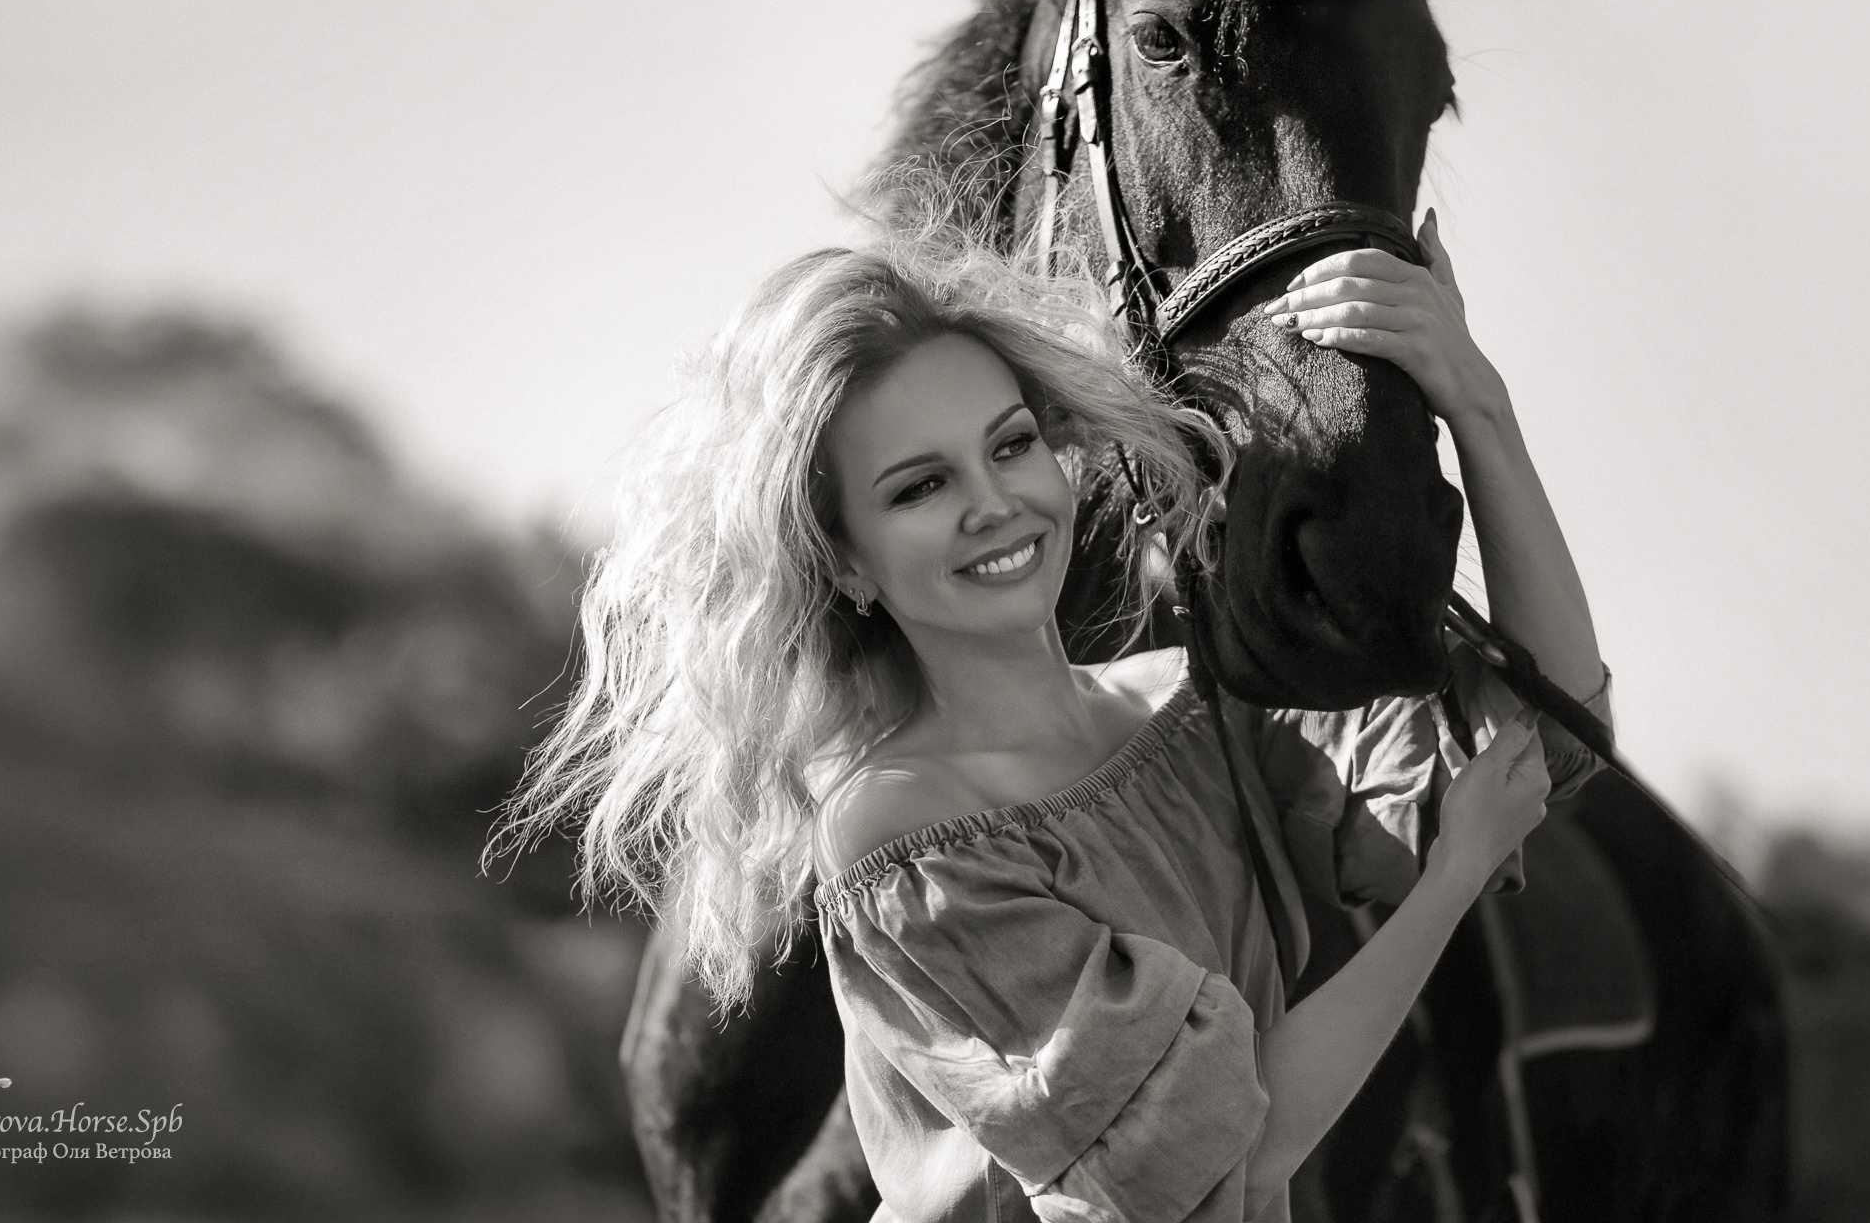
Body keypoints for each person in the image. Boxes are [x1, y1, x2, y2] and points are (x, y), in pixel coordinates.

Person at [492, 209, 1611, 1222]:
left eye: (1012, 443)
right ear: (846, 565)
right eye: (919, 487)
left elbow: (1543, 732)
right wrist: (1452, 876)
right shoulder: (900, 827)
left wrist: (1475, 400)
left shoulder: (1189, 711)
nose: (995, 503)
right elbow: (1229, 1153)